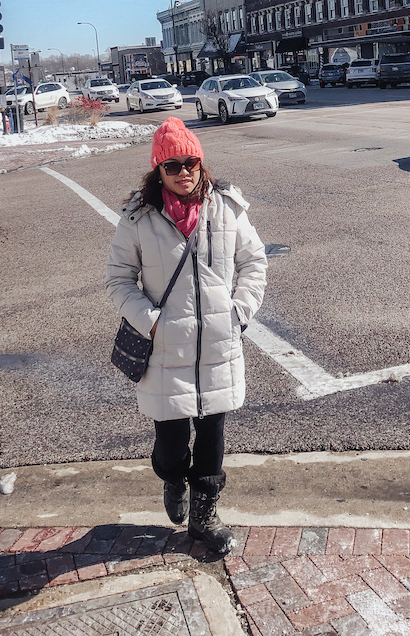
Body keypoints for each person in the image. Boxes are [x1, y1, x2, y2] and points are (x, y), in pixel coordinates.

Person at [106, 117, 267, 554]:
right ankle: (172, 479)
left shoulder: (227, 208)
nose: (184, 172)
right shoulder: (139, 219)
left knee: (212, 439)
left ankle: (204, 518)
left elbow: (254, 262)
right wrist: (150, 319)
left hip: (219, 345)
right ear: (158, 170)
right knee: (172, 447)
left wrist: (240, 311)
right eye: (173, 165)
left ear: (201, 162)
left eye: (191, 162)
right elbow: (118, 279)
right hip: (166, 351)